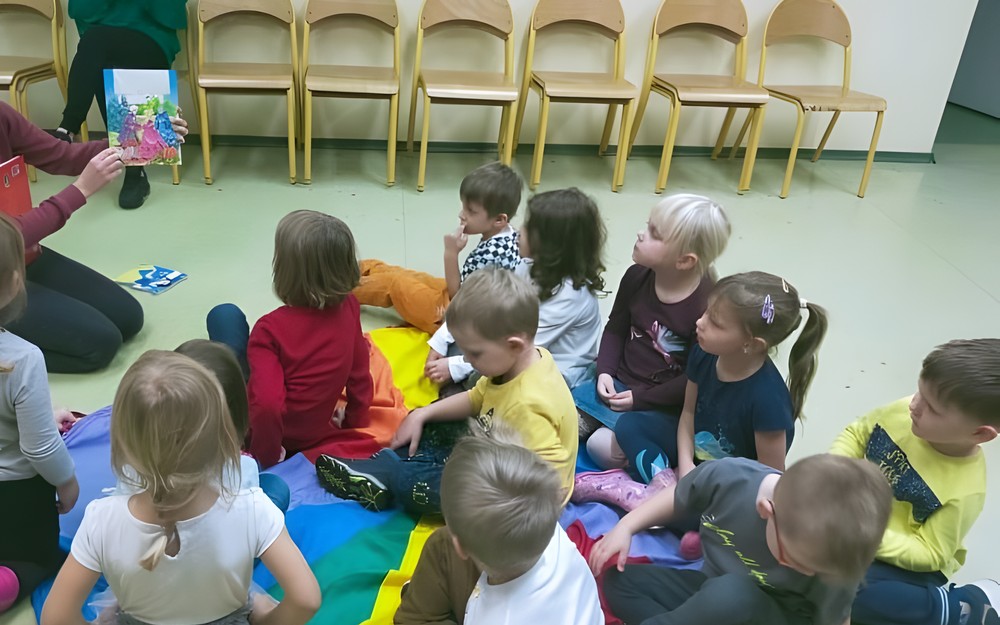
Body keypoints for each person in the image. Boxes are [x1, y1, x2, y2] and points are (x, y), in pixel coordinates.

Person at [39, 351, 320, 625]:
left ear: (120, 442)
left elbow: (56, 617)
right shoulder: (254, 508)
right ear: (225, 435)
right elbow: (306, 600)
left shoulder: (101, 519)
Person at [315, 268, 578, 515]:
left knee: (415, 484)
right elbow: (477, 398)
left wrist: (483, 493)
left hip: (519, 496)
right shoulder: (518, 362)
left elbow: (549, 488)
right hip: (495, 451)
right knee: (431, 417)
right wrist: (422, 415)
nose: (468, 360)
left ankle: (394, 476)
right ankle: (386, 465)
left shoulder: (528, 406)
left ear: (514, 345)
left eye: (474, 353)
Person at [591, 454, 893, 625]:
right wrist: (626, 527)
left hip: (773, 615)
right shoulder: (732, 477)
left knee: (733, 593)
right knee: (620, 582)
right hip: (710, 594)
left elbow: (838, 620)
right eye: (797, 561)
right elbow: (683, 495)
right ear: (766, 511)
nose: (808, 574)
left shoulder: (831, 566)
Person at [0, 101, 185, 373]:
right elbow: (13, 231)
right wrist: (80, 191)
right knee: (100, 346)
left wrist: (136, 140)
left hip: (17, 256)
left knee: (129, 318)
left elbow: (62, 155)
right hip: (8, 254)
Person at [831, 338, 1000, 625]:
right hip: (856, 523)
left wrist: (863, 536)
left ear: (980, 434)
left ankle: (959, 607)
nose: (914, 405)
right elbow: (858, 433)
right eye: (918, 391)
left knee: (848, 592)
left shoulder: (966, 491)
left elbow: (931, 553)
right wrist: (831, 474)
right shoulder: (905, 410)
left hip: (909, 560)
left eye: (933, 408)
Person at [576, 194, 731, 482]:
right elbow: (616, 327)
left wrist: (641, 399)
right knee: (562, 419)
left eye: (653, 233)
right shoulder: (637, 276)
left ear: (684, 260)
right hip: (617, 386)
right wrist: (605, 371)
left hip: (660, 405)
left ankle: (656, 474)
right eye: (647, 225)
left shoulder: (705, 309)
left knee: (600, 446)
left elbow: (693, 380)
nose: (640, 233)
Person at [207, 210, 373, 469]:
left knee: (223, 316)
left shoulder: (270, 330)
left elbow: (266, 407)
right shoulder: (350, 305)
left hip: (270, 438)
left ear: (285, 272)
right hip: (316, 431)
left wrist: (265, 457)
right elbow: (360, 371)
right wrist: (355, 420)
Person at [401, 433, 602, 625]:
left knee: (440, 544)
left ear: (460, 548)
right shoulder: (546, 525)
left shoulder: (498, 617)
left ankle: (423, 600)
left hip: (500, 610)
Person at [426, 187, 606, 390]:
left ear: (550, 243)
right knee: (461, 333)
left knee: (478, 381)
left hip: (548, 370)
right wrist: (441, 339)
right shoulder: (528, 264)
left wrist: (454, 366)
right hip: (511, 343)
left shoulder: (571, 296)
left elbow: (521, 349)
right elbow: (486, 301)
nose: (519, 231)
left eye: (529, 227)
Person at [0, 215, 80, 614]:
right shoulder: (21, 359)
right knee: (42, 558)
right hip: (15, 498)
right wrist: (67, 483)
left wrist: (43, 414)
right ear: (15, 282)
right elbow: (39, 447)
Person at [354, 161, 523, 335]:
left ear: (499, 219)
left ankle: (336, 290)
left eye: (471, 211)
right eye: (463, 207)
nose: (461, 215)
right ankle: (350, 270)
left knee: (395, 284)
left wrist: (451, 254)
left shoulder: (490, 258)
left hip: (454, 317)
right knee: (408, 275)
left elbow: (459, 298)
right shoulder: (512, 235)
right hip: (464, 293)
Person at [55, 0, 189, 209]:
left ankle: (67, 129)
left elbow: (173, 12)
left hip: (151, 34)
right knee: (97, 50)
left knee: (97, 47)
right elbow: (80, 8)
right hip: (101, 34)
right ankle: (135, 169)